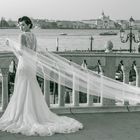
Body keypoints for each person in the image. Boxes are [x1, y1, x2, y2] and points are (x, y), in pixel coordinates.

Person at [0, 16, 83, 136]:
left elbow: (22, 52)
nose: (21, 27)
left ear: (29, 25)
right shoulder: (33, 36)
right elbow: (33, 52)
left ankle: (24, 114)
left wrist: (10, 45)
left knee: (22, 88)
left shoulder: (22, 36)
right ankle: (35, 114)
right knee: (30, 88)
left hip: (24, 65)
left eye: (23, 24)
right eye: (20, 25)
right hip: (31, 65)